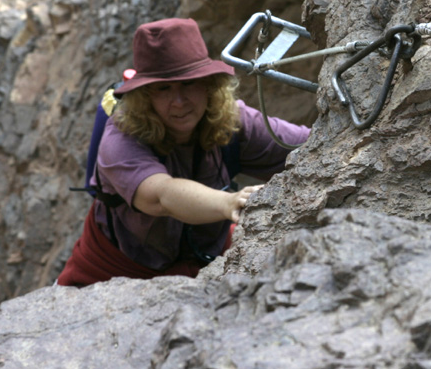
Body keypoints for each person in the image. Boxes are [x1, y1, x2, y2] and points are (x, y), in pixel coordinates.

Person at [57, 17, 310, 287]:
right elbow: (161, 196)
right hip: (112, 272)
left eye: (189, 83)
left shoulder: (233, 122)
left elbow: (311, 145)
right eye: (163, 88)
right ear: (145, 96)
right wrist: (229, 203)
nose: (178, 102)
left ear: (209, 85)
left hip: (208, 260)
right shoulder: (120, 138)